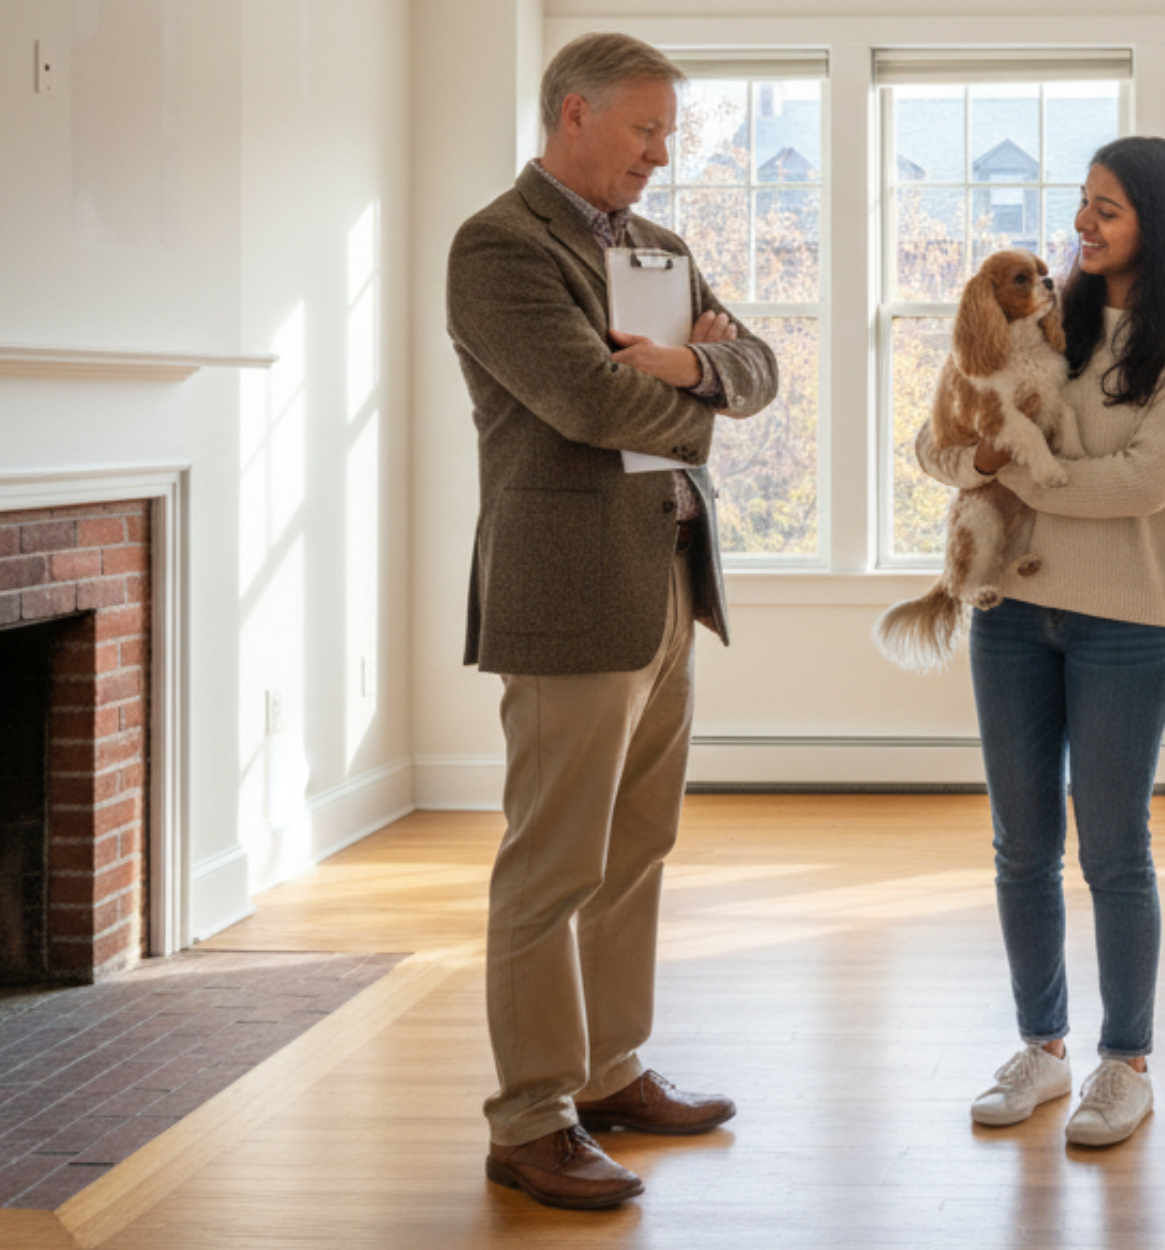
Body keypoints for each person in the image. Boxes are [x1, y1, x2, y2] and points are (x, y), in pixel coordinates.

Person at [446, 32, 778, 1210]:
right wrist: (700, 380)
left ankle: (607, 1070)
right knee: (553, 861)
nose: (659, 153)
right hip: (568, 590)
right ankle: (528, 1117)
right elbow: (585, 400)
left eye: (666, 134)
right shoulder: (496, 246)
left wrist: (688, 367)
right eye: (644, 129)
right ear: (572, 113)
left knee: (636, 847)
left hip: (668, 584)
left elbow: (762, 370)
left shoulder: (662, 247)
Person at [915, 135, 1165, 1147]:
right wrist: (974, 451)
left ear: (1159, 216)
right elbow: (934, 442)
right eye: (1080, 203)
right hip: (1007, 614)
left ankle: (1125, 1061)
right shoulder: (1035, 319)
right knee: (1020, 847)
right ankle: (1041, 1047)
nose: (1081, 224)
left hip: (1126, 620)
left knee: (1113, 850)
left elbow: (1140, 483)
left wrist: (1004, 470)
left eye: (1104, 206)